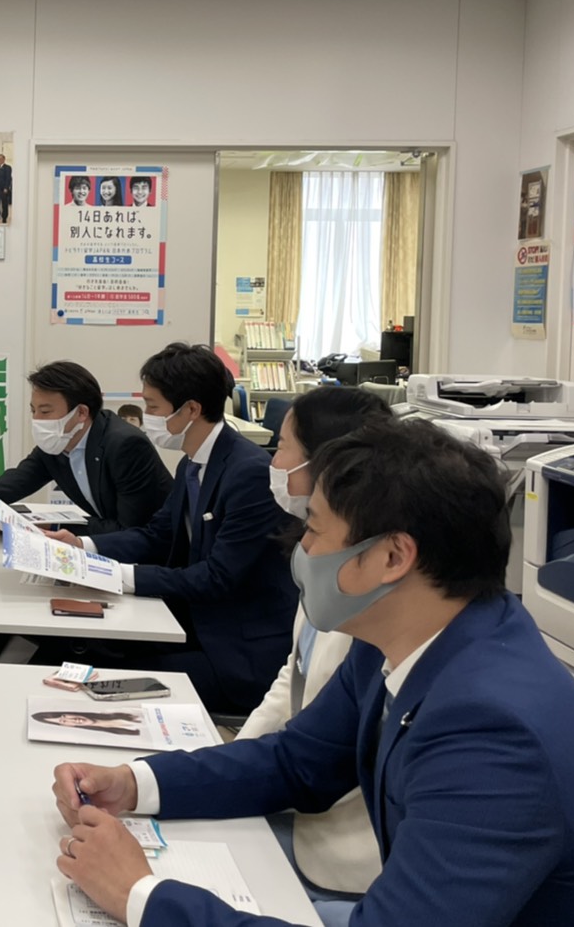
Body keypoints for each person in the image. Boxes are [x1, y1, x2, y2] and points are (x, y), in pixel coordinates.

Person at [49, 419, 574, 926]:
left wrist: (140, 895)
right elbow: (297, 762)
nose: (299, 548)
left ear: (392, 556)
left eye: (313, 529)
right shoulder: (405, 636)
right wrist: (135, 782)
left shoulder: (490, 732)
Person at [45, 343, 297, 714]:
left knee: (104, 679)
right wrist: (83, 548)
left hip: (237, 653)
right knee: (76, 648)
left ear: (191, 409)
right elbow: (157, 535)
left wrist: (115, 576)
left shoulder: (249, 473)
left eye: (153, 407)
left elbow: (216, 577)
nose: (147, 417)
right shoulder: (192, 464)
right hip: (195, 623)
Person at [237, 387, 392, 922]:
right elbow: (295, 676)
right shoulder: (325, 557)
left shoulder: (371, 606)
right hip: (300, 802)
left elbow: (325, 760)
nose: (272, 461)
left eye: (282, 447)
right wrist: (236, 758)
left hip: (337, 852)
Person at [0, 361, 173, 544]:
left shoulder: (124, 445)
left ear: (81, 412)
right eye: (34, 410)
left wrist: (51, 529)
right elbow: (14, 482)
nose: (37, 420)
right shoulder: (57, 443)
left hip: (156, 558)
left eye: (45, 411)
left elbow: (131, 529)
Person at [32, 709, 143, 736]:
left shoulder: (115, 711)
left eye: (64, 716)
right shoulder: (104, 736)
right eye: (63, 721)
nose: (71, 720)